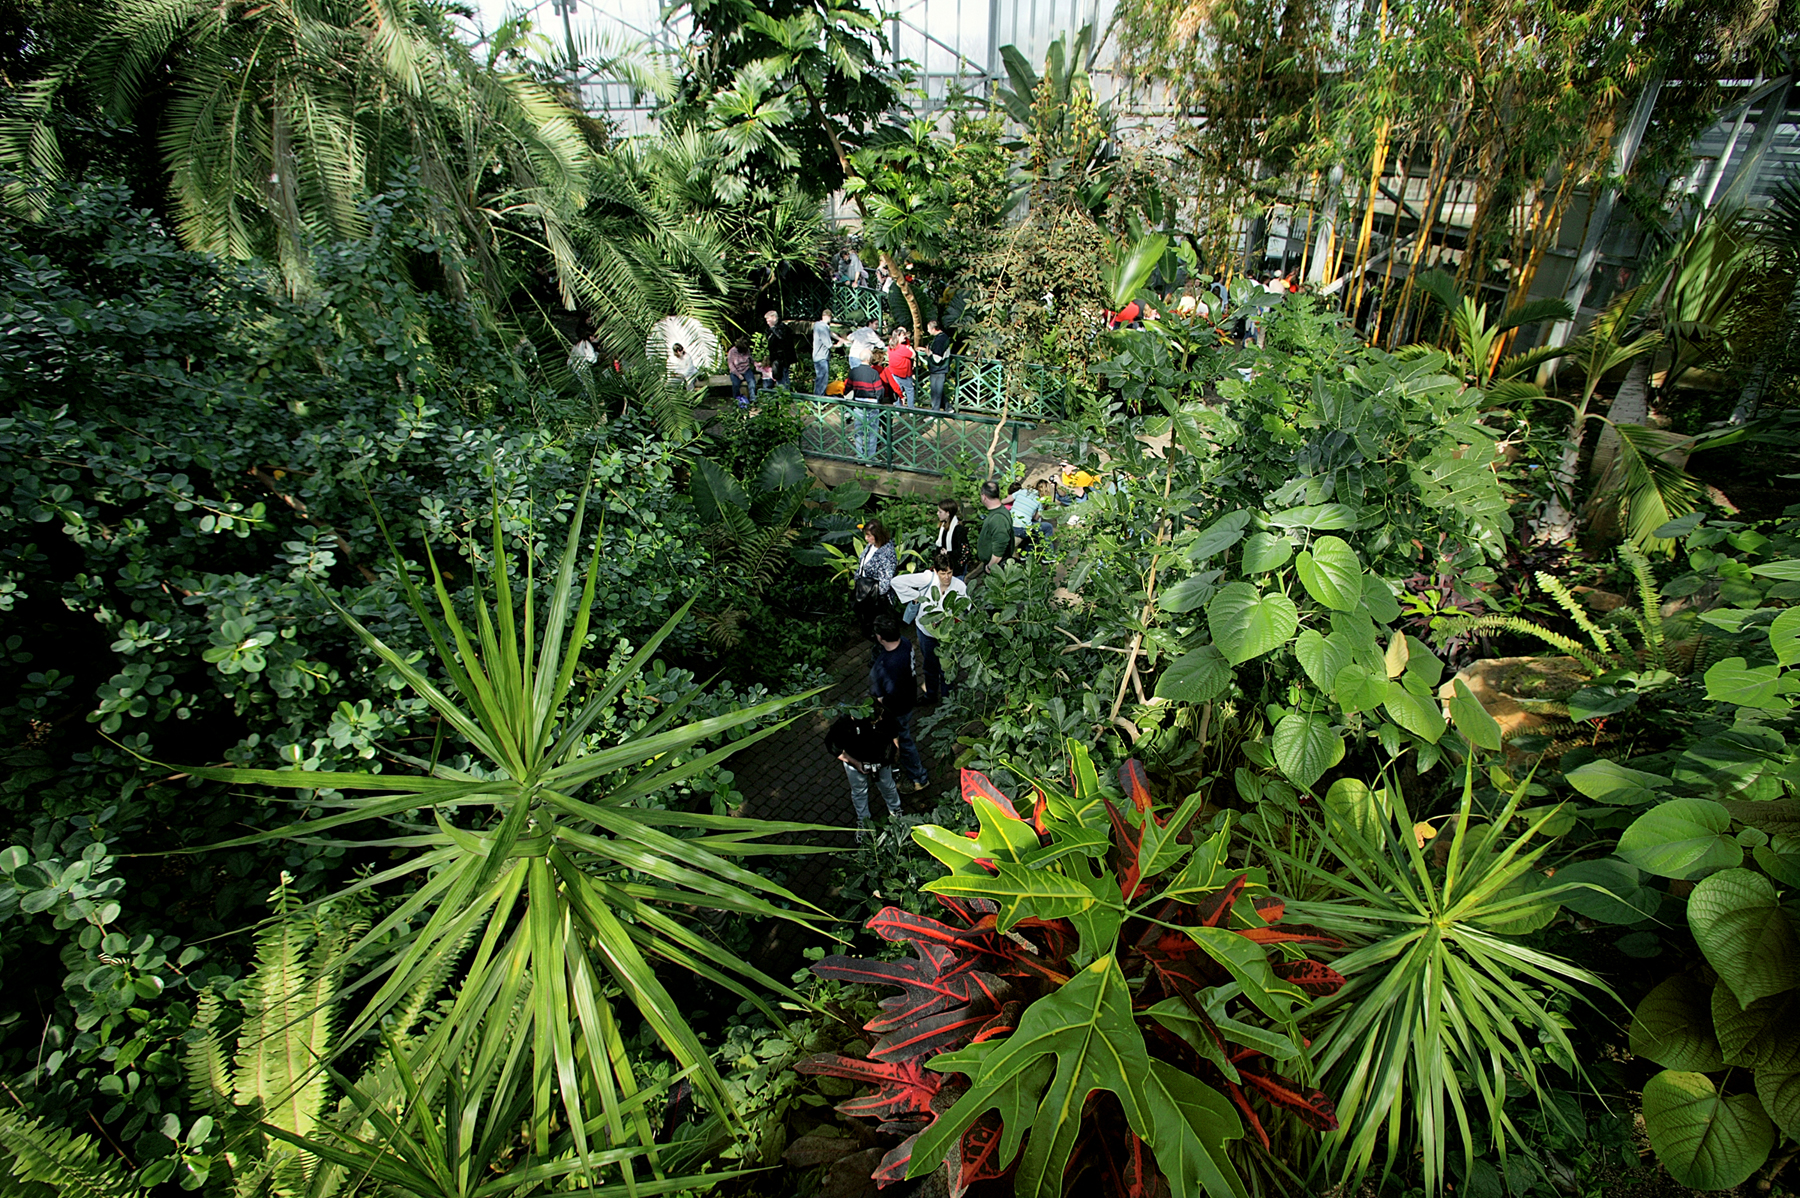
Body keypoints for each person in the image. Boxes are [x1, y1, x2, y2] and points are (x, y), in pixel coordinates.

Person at [891, 550, 967, 704]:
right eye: (943, 573)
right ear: (935, 571)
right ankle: (930, 695)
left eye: (950, 573)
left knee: (947, 667)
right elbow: (896, 582)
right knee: (929, 664)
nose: (946, 577)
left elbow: (966, 608)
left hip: (946, 635)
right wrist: (916, 597)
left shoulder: (959, 586)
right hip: (926, 632)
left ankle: (948, 702)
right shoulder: (927, 578)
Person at [870, 611, 929, 791]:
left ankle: (919, 777)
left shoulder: (881, 666)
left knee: (903, 740)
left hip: (895, 710)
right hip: (908, 698)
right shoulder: (905, 643)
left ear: (880, 638)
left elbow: (878, 697)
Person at [825, 704, 902, 835]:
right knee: (859, 792)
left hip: (882, 759)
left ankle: (895, 810)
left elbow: (894, 732)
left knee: (888, 786)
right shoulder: (845, 724)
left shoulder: (883, 713)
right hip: (857, 760)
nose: (880, 720)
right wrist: (854, 763)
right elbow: (832, 746)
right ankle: (864, 820)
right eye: (875, 720)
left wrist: (896, 751)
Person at [851, 518, 897, 637]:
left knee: (879, 628)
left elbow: (886, 580)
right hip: (866, 592)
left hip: (876, 598)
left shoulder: (886, 552)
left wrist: (873, 595)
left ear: (877, 535)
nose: (866, 538)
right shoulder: (871, 546)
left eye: (869, 535)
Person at [846, 347, 886, 460]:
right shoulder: (873, 373)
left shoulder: (854, 371)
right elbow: (879, 390)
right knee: (872, 431)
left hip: (859, 402)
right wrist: (879, 401)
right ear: (869, 359)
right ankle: (871, 457)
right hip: (872, 403)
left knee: (858, 430)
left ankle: (860, 455)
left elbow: (847, 388)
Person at [973, 481, 1013, 578]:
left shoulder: (998, 518)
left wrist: (990, 566)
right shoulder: (998, 512)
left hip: (997, 568)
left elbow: (1000, 546)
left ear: (984, 496)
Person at [934, 498, 971, 576]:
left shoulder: (958, 530)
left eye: (940, 512)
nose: (937, 513)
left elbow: (964, 551)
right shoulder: (943, 527)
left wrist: (948, 553)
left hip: (956, 570)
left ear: (948, 513)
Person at [812, 307, 843, 395]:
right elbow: (829, 345)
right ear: (829, 317)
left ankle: (818, 398)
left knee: (820, 378)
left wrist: (840, 339)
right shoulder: (822, 328)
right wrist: (838, 345)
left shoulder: (819, 325)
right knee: (822, 379)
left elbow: (830, 332)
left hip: (817, 356)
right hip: (821, 356)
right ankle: (819, 400)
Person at [1008, 476, 1042, 551]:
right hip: (1021, 530)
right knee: (1039, 527)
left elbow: (1004, 501)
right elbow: (1036, 518)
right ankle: (1028, 552)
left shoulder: (1021, 492)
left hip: (1008, 525)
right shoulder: (1040, 500)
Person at [885, 327, 916, 407]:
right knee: (909, 390)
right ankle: (911, 409)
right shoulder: (902, 348)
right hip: (904, 373)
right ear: (898, 336)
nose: (905, 337)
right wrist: (910, 349)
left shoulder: (890, 347)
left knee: (898, 390)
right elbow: (913, 355)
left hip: (894, 372)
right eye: (903, 335)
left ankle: (898, 408)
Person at [764, 310, 795, 388]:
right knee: (781, 378)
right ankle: (784, 394)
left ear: (774, 318)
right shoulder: (771, 330)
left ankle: (784, 395)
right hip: (777, 358)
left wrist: (773, 329)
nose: (767, 322)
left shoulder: (782, 329)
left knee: (782, 379)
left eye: (769, 320)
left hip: (782, 358)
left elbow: (781, 338)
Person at [926, 319, 952, 410]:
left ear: (934, 329)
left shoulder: (939, 340)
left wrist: (928, 354)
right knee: (938, 390)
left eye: (928, 329)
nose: (928, 331)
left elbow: (937, 359)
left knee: (936, 392)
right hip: (941, 368)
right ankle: (948, 408)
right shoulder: (943, 337)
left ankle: (935, 413)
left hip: (938, 368)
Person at [726, 340, 756, 405]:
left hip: (746, 369)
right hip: (735, 371)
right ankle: (736, 400)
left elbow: (750, 358)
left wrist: (756, 363)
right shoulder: (732, 351)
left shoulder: (746, 350)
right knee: (736, 384)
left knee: (752, 382)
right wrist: (738, 375)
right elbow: (731, 365)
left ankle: (753, 399)